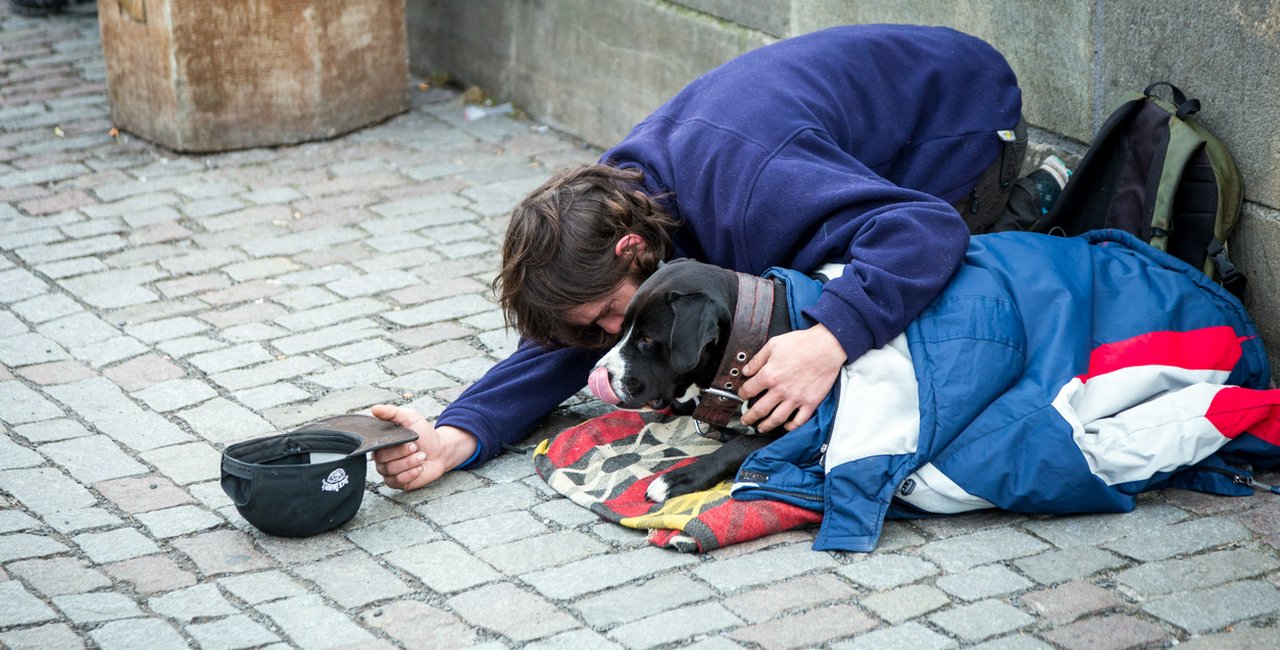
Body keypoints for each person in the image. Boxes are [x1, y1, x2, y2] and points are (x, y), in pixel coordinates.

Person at [372, 24, 1067, 491]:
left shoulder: (753, 190)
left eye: (614, 315)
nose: (607, 344)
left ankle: (1032, 199)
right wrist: (455, 435)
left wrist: (829, 340)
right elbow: (567, 341)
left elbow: (920, 228)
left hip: (965, 117)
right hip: (843, 131)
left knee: (897, 319)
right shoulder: (624, 208)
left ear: (632, 248)